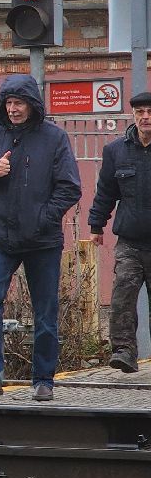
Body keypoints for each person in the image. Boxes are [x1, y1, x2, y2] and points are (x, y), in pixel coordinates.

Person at [0, 74, 82, 401]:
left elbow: (70, 187)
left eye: (19, 103)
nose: (13, 109)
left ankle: (44, 379)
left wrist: (44, 218)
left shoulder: (54, 139)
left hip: (42, 241)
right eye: (8, 103)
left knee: (45, 310)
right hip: (0, 236)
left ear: (32, 104)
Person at [88, 90, 151, 375]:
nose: (146, 117)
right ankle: (124, 351)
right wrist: (96, 225)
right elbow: (106, 191)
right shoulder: (116, 151)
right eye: (140, 112)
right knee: (122, 297)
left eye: (150, 112)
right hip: (130, 241)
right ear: (133, 115)